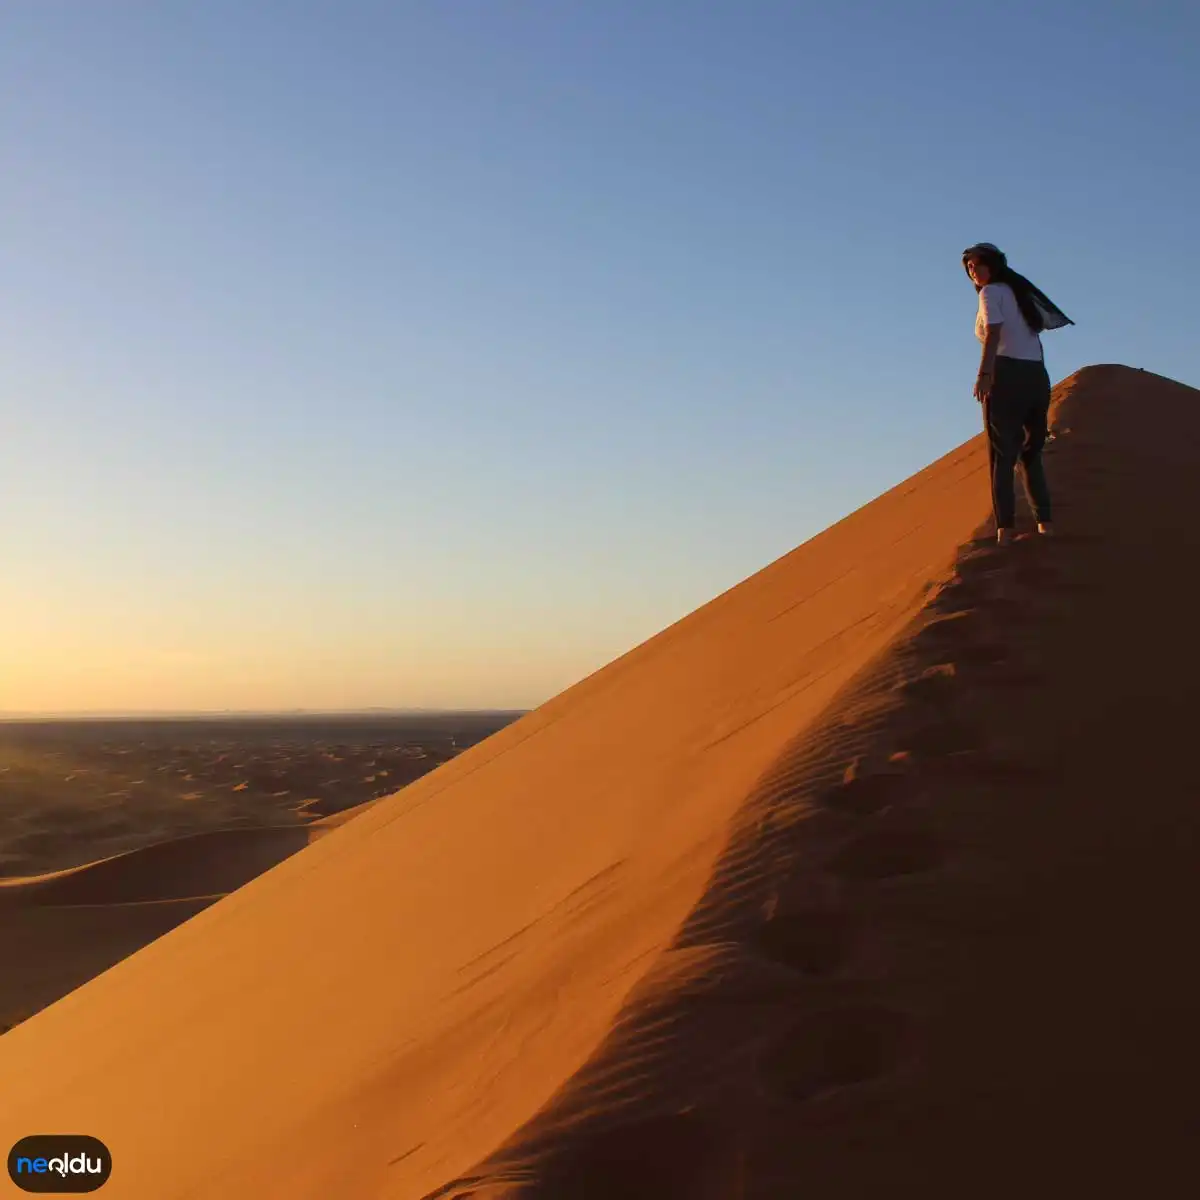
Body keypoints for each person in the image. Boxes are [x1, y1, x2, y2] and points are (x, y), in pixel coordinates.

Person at [963, 243, 1073, 545]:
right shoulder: (1020, 293)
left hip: (1006, 374)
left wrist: (984, 374)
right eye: (969, 267)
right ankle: (1044, 523)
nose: (973, 271)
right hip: (1037, 376)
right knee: (1030, 452)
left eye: (978, 264)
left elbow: (994, 333)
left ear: (993, 265)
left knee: (1002, 454)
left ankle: (1005, 531)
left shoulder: (991, 293)